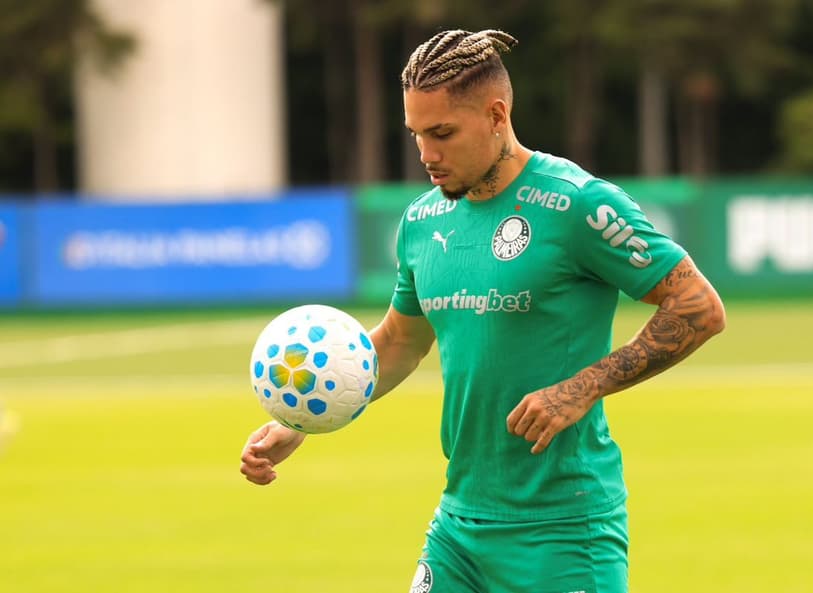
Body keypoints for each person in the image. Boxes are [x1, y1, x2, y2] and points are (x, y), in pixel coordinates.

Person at [241, 29, 726, 593]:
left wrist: (582, 388)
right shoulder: (421, 223)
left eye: (442, 133)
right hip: (459, 528)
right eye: (417, 134)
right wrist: (304, 416)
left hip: (563, 532)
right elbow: (398, 342)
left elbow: (698, 306)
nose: (427, 155)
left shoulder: (577, 204)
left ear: (497, 115)